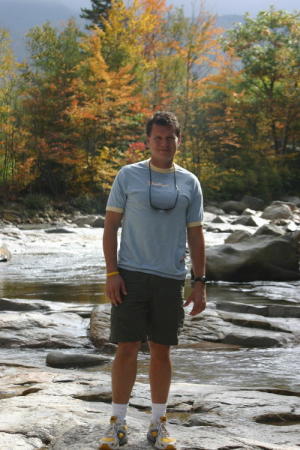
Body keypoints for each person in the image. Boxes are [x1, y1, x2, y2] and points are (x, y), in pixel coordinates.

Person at [99, 111, 206, 450]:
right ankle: (117, 423)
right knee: (126, 347)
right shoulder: (127, 175)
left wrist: (200, 281)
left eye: (169, 137)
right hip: (130, 275)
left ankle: (158, 424)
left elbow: (197, 235)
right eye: (157, 138)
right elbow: (111, 227)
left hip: (170, 279)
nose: (164, 143)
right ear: (148, 141)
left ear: (179, 140)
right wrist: (112, 272)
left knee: (162, 351)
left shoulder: (190, 182)